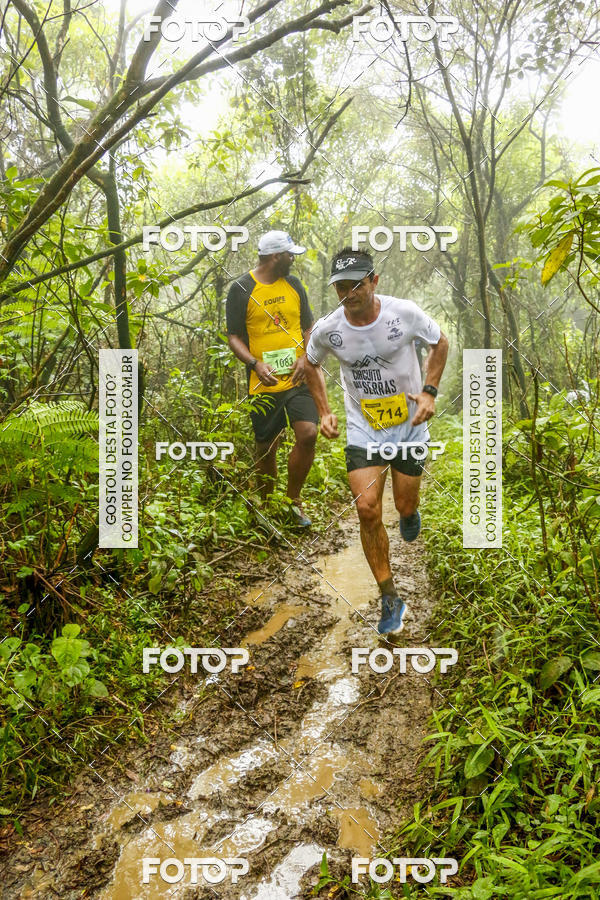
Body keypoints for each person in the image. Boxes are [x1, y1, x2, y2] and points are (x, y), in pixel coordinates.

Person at [304, 247, 449, 634]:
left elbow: (441, 342)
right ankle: (389, 597)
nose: (348, 293)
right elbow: (310, 364)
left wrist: (430, 391)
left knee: (404, 503)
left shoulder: (404, 313)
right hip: (364, 430)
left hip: (409, 425)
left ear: (374, 281)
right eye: (341, 287)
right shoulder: (329, 329)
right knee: (367, 510)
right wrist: (323, 411)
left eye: (356, 284)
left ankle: (408, 512)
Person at [226, 230, 318, 526]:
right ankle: (266, 507)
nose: (294, 259)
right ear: (276, 257)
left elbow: (308, 326)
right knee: (266, 446)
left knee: (308, 434)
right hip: (263, 381)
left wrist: (305, 357)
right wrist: (254, 363)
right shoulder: (241, 288)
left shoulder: (293, 283)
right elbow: (234, 337)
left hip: (297, 377)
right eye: (290, 254)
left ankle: (293, 502)